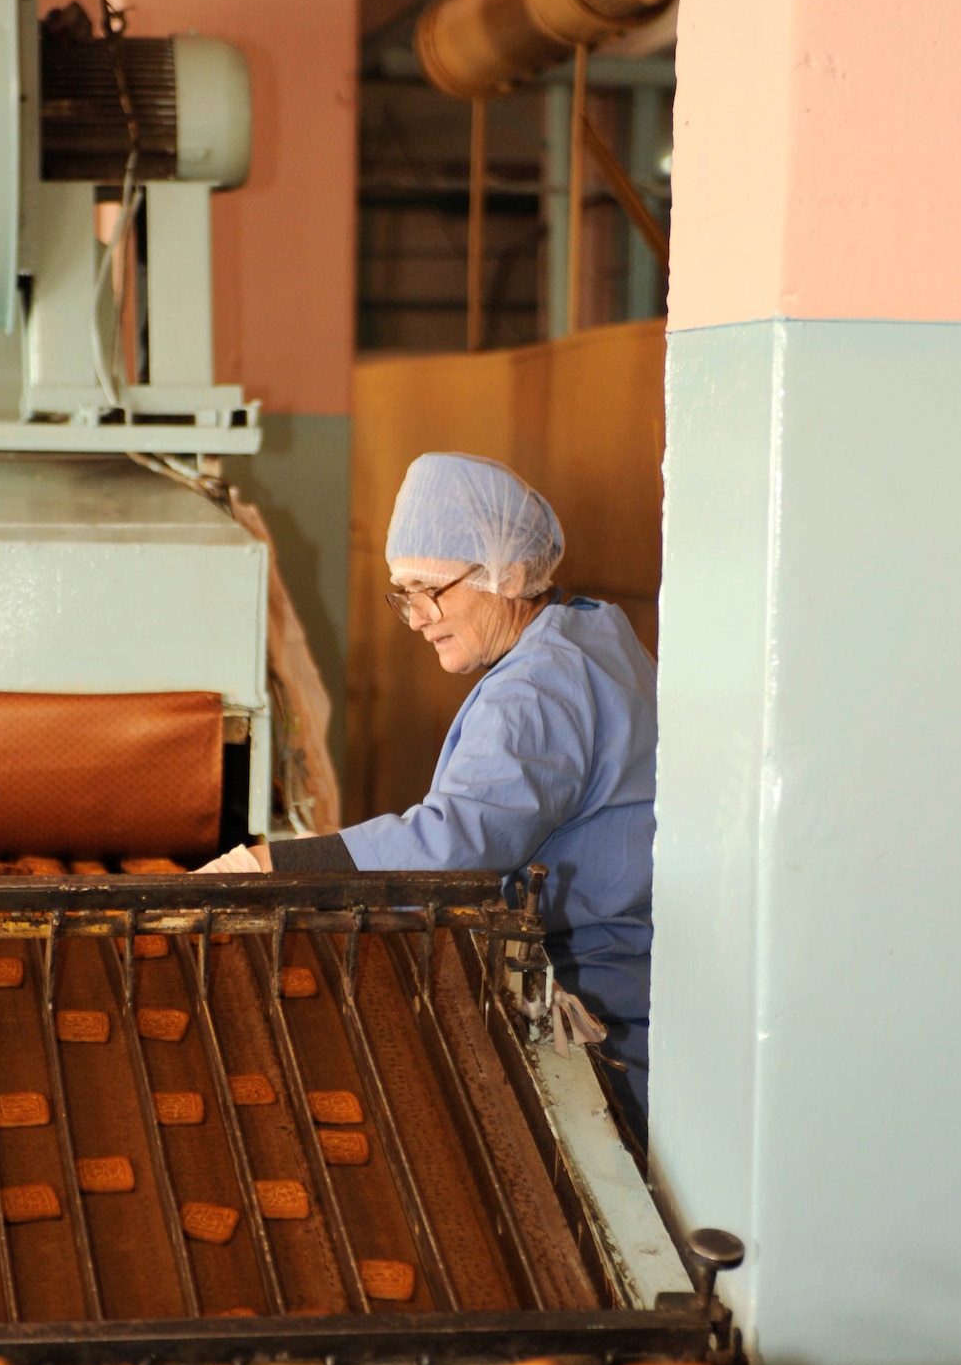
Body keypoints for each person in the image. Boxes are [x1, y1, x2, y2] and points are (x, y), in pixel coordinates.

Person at [202, 452, 657, 1137]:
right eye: (401, 593)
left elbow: (455, 845)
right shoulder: (583, 632)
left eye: (427, 589)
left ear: (506, 571)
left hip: (599, 1012)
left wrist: (274, 866)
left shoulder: (535, 690)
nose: (413, 618)